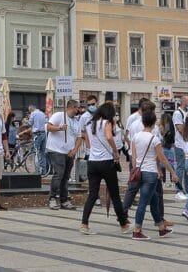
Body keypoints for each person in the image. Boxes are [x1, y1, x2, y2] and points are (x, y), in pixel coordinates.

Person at [81, 100, 130, 235]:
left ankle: (84, 224)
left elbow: (88, 143)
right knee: (114, 194)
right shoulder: (106, 123)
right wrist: (115, 151)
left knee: (92, 194)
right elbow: (109, 137)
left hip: (93, 161)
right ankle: (123, 224)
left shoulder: (90, 123)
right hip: (106, 162)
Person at [130, 107, 177, 240]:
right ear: (153, 122)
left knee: (155, 200)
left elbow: (133, 157)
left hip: (140, 171)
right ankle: (137, 230)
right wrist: (173, 173)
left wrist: (135, 169)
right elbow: (162, 158)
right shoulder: (154, 139)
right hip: (150, 173)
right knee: (143, 202)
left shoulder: (135, 137)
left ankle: (161, 228)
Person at [46, 99, 82, 210]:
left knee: (66, 176)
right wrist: (60, 128)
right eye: (77, 107)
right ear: (71, 107)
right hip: (56, 150)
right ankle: (52, 198)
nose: (78, 109)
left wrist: (74, 150)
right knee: (59, 174)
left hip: (69, 152)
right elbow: (48, 127)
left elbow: (79, 138)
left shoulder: (76, 121)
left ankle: (64, 200)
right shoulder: (59, 116)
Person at [75, 95, 98, 182]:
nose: (91, 106)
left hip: (97, 145)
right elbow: (80, 131)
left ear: (96, 103)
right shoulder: (84, 117)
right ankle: (82, 178)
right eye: (89, 105)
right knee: (86, 162)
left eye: (93, 104)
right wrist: (87, 138)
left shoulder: (99, 115)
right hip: (87, 145)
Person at [172, 96, 188, 197]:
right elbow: (180, 128)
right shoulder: (177, 113)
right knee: (180, 167)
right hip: (180, 144)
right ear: (183, 102)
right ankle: (178, 189)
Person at [27, 105, 49, 175]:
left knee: (36, 152)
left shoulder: (33, 114)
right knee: (43, 152)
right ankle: (44, 170)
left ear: (31, 109)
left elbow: (30, 123)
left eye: (29, 111)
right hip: (43, 134)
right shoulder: (42, 113)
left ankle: (37, 170)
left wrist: (27, 120)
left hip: (37, 134)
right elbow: (46, 121)